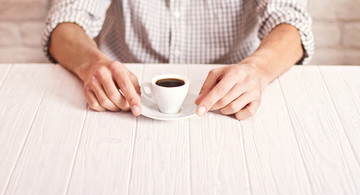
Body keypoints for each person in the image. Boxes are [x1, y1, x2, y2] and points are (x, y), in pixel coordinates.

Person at [43, 0, 314, 120]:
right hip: (123, 102)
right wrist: (92, 63)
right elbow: (66, 20)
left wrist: (256, 69)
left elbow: (291, 20)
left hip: (229, 102)